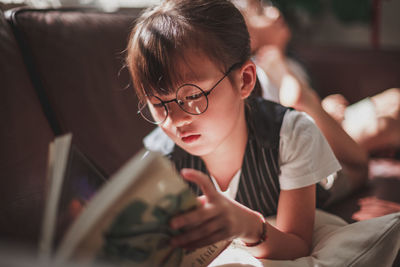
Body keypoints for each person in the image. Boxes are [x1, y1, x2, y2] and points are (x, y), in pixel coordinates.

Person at [126, 0, 342, 260]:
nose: (176, 119)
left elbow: (297, 244)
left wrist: (248, 227)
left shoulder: (291, 135)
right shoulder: (159, 160)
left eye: (193, 95)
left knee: (358, 161)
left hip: (334, 176)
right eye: (159, 104)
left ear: (245, 81)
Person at [235, 0, 400, 157]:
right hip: (307, 143)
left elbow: (309, 103)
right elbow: (291, 107)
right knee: (386, 126)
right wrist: (281, 70)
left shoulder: (292, 62)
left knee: (395, 99)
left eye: (268, 5)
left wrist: (323, 107)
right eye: (261, 13)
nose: (274, 12)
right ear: (249, 36)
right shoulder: (260, 71)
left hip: (322, 127)